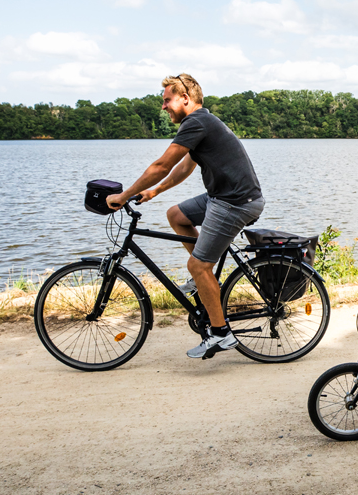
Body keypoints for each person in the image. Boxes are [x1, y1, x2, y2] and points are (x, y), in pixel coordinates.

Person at [107, 74, 264, 359]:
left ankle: (220, 333)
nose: (164, 107)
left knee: (198, 265)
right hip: (224, 197)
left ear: (185, 99)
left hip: (236, 203)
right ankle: (203, 280)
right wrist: (154, 192)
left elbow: (162, 164)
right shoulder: (202, 122)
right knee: (177, 215)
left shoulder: (196, 122)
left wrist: (124, 194)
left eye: (167, 100)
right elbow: (183, 168)